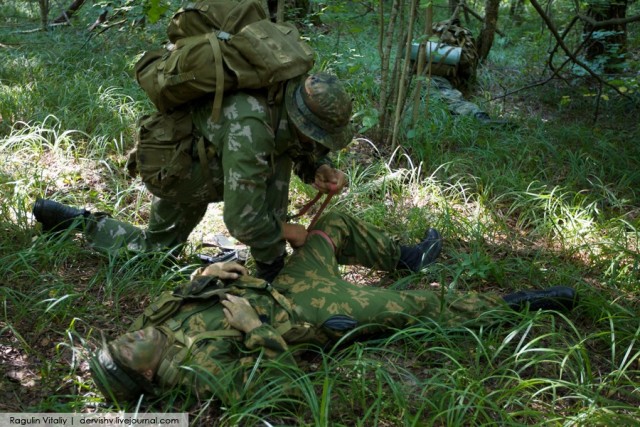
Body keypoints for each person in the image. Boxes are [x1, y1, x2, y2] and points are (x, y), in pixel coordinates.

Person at [89, 211, 577, 403]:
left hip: (282, 278)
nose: (127, 338)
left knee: (332, 224)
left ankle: (406, 257)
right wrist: (254, 326)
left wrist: (204, 277)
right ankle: (513, 307)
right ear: (147, 377)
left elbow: (178, 296)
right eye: (126, 352)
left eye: (118, 340)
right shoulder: (201, 373)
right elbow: (279, 385)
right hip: (312, 310)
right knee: (422, 307)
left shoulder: (146, 328)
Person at [32, 72, 354, 281]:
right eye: (318, 137)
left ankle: (271, 267)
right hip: (179, 167)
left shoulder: (287, 90)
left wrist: (318, 167)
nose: (319, 144)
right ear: (302, 120)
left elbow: (290, 140)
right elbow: (242, 221)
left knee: (154, 250)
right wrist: (288, 231)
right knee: (156, 253)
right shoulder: (252, 129)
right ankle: (273, 271)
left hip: (204, 151)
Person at [412, 18, 507, 126]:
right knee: (447, 97)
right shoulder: (464, 36)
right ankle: (478, 116)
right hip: (449, 77)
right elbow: (468, 67)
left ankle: (478, 117)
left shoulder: (433, 29)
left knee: (446, 97)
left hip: (426, 75)